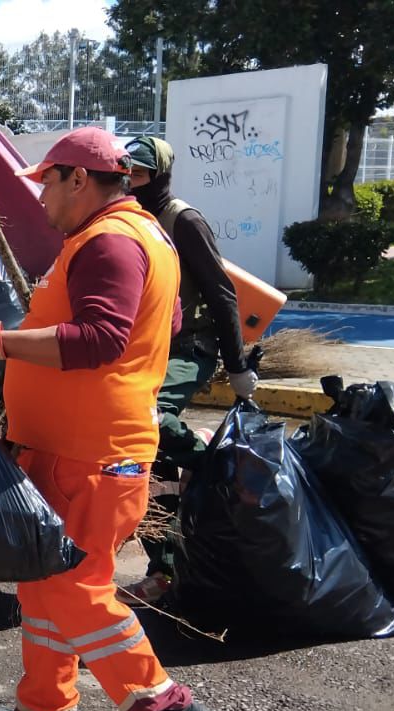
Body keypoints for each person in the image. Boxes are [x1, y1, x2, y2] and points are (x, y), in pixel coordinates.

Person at [0, 127, 222, 711]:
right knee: (43, 583)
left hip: (90, 453)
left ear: (80, 179)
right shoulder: (143, 235)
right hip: (75, 446)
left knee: (74, 590)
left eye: (48, 182)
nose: (40, 197)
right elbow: (167, 322)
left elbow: (100, 339)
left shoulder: (110, 241)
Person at [120, 136, 255, 603]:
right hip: (147, 346)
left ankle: (207, 460)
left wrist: (237, 366)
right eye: (126, 173)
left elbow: (221, 293)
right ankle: (165, 570)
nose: (131, 181)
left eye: (140, 173)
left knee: (147, 414)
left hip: (190, 346)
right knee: (144, 457)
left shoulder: (183, 220)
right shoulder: (127, 219)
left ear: (159, 175)